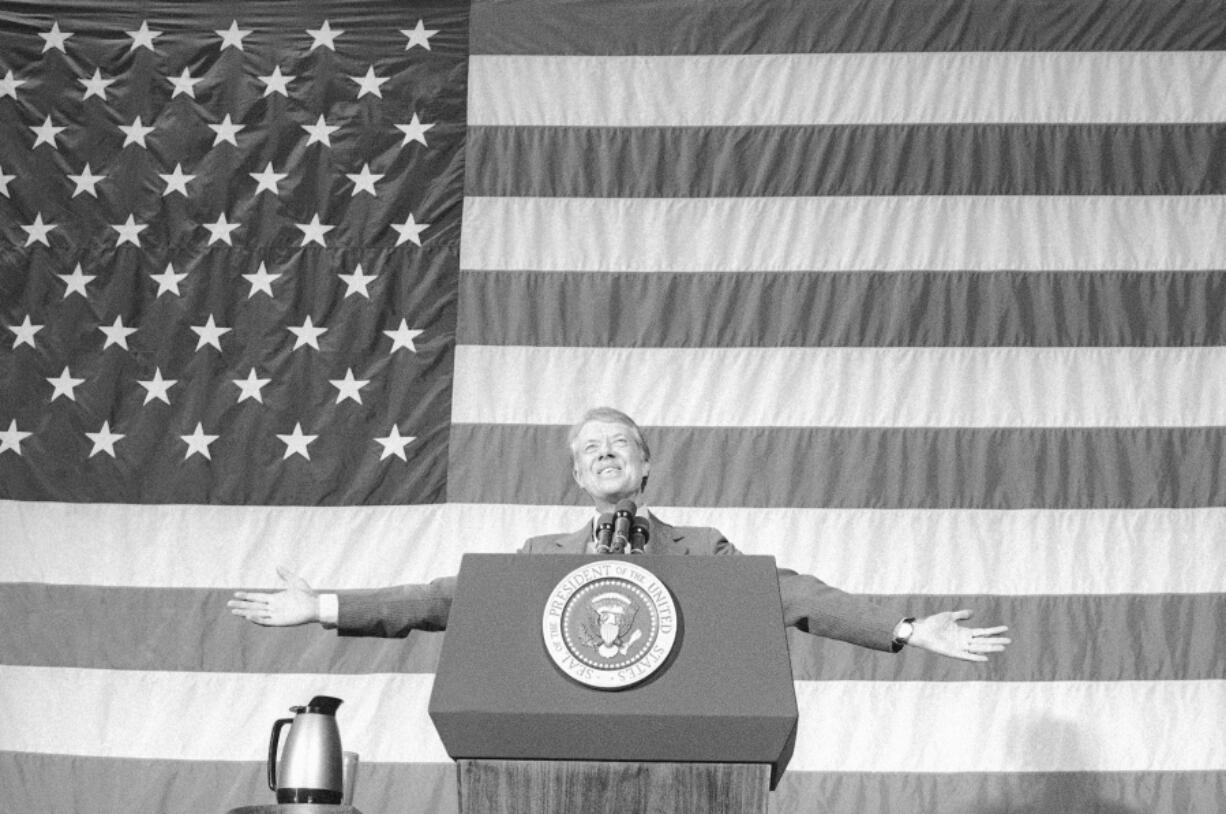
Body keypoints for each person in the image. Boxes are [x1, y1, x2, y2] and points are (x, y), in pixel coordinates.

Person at [230, 407, 1010, 662]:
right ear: (577, 476)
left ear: (645, 467)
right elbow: (435, 601)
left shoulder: (702, 550)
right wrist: (326, 606)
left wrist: (907, 627)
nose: (604, 454)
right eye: (589, 450)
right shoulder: (540, 560)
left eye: (618, 446)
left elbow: (797, 596)